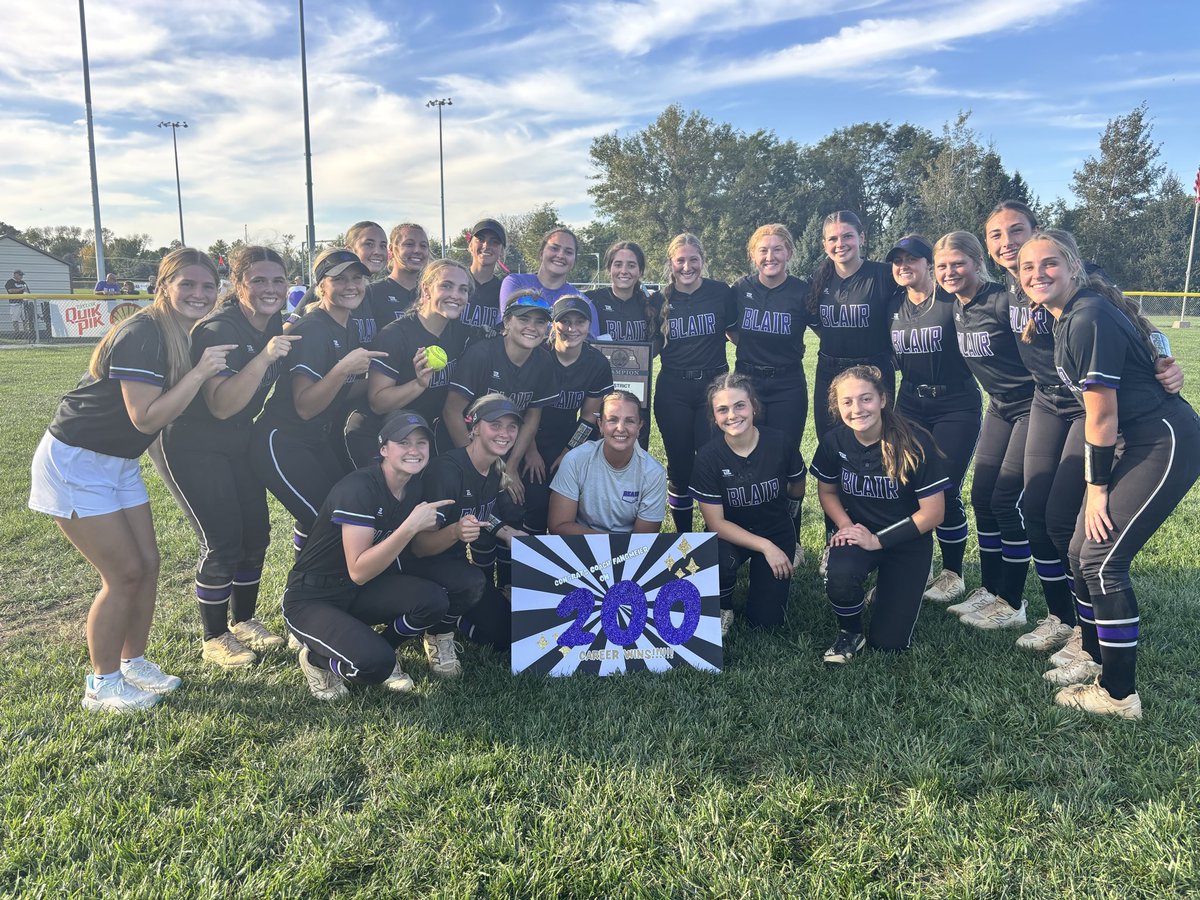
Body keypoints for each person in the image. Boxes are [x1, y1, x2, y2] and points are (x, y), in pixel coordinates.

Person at [29, 248, 235, 712]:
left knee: (147, 564)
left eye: (208, 286)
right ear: (163, 287)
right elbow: (145, 418)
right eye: (187, 284)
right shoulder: (144, 333)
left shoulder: (181, 332)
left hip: (118, 463)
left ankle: (133, 663)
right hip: (76, 461)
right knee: (122, 574)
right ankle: (101, 685)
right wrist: (201, 373)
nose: (200, 294)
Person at [985, 200, 1184, 657]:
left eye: (1016, 231)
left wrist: (1163, 359)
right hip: (1046, 399)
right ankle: (1061, 617)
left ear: (1038, 232)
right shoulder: (1008, 290)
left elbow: (1135, 319)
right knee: (1034, 509)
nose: (1007, 243)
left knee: (1063, 519)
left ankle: (1086, 630)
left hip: (1089, 407)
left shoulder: (1076, 277)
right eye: (996, 235)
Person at [1019, 230, 1200, 719]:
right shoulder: (1066, 316)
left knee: (1101, 561)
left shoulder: (1087, 315)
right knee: (1079, 551)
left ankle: (1119, 695)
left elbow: (1101, 416)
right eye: (1027, 267)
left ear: (1073, 267)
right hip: (1129, 441)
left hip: (1160, 440)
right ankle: (1094, 654)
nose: (1037, 273)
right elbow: (1143, 344)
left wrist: (1096, 490)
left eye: (1049, 263)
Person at [157, 246, 297, 667]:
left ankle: (244, 620)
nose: (270, 288)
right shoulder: (219, 328)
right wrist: (265, 356)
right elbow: (221, 406)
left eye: (278, 280)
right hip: (194, 442)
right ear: (237, 284)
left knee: (256, 534)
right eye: (258, 280)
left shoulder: (275, 320)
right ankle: (214, 636)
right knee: (222, 541)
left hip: (239, 440)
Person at [282, 410, 460, 699]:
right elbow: (359, 570)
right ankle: (316, 660)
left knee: (434, 600)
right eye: (403, 442)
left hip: (359, 592)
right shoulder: (359, 488)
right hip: (313, 597)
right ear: (383, 449)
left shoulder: (413, 485)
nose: (414, 450)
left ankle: (384, 647)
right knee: (374, 666)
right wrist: (409, 526)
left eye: (421, 443)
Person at [250, 248, 385, 560]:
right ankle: (306, 589)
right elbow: (306, 406)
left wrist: (395, 381)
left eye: (357, 278)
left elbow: (341, 391)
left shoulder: (348, 325)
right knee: (333, 528)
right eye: (340, 279)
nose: (351, 285)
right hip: (282, 442)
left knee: (342, 515)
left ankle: (310, 581)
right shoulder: (313, 329)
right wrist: (343, 368)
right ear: (321, 286)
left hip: (315, 439)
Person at [811, 366, 948, 665]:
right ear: (837, 407)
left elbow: (934, 513)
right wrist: (845, 525)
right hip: (859, 532)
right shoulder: (834, 441)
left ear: (883, 399)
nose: (857, 409)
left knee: (889, 643)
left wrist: (877, 540)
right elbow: (828, 492)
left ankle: (888, 589)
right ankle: (850, 633)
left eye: (866, 399)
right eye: (847, 402)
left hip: (907, 541)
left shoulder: (915, 442)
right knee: (841, 576)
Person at [936, 231, 1034, 630]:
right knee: (982, 498)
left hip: (1032, 406)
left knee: (1007, 501)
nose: (949, 272)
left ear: (978, 262)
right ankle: (991, 591)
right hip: (999, 406)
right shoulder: (956, 305)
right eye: (942, 266)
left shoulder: (1002, 300)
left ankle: (1012, 603)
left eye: (958, 263)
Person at [886, 235, 981, 606]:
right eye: (898, 260)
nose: (904, 266)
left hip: (955, 403)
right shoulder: (893, 304)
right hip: (910, 402)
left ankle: (953, 573)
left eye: (912, 259)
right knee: (908, 484)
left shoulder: (950, 299)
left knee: (943, 487)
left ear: (930, 264)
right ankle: (918, 563)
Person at [412, 395, 531, 655]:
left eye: (511, 426)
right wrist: (455, 531)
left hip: (453, 563)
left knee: (508, 635)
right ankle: (436, 630)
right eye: (495, 425)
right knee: (474, 581)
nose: (505, 433)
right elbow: (419, 547)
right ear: (474, 428)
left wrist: (507, 533)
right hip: (418, 569)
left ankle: (457, 617)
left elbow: (479, 511)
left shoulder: (494, 469)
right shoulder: (446, 472)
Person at [691, 374, 805, 635]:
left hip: (774, 529)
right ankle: (723, 606)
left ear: (754, 406)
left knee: (766, 622)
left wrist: (786, 530)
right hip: (730, 533)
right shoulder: (707, 457)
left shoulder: (780, 442)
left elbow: (797, 485)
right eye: (722, 409)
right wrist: (765, 546)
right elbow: (716, 523)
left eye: (740, 405)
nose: (732, 415)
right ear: (714, 417)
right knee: (719, 562)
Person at [729, 223, 813, 562]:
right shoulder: (740, 288)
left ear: (789, 252)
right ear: (753, 255)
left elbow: (825, 329)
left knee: (786, 460)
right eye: (763, 250)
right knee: (745, 457)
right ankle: (746, 534)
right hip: (747, 383)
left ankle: (791, 538)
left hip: (787, 384)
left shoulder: (802, 291)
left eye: (777, 249)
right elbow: (731, 330)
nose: (770, 256)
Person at [348, 258, 482, 465]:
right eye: (446, 286)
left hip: (423, 433)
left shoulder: (461, 332)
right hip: (380, 436)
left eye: (463, 289)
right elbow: (377, 403)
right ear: (426, 289)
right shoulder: (394, 335)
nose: (456, 295)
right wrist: (418, 384)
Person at [650, 233, 737, 533]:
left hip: (713, 389)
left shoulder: (721, 292)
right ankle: (684, 538)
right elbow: (650, 346)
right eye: (680, 260)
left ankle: (719, 536)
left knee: (715, 460)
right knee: (679, 465)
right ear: (670, 263)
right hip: (673, 388)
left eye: (693, 260)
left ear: (703, 260)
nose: (687, 267)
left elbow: (738, 334)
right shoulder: (658, 300)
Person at [443, 291, 558, 507]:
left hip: (504, 445)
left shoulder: (543, 360)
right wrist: (475, 464)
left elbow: (532, 416)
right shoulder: (482, 354)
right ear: (507, 321)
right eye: (523, 319)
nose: (532, 327)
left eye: (540, 322)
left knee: (516, 505)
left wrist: (511, 467)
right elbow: (452, 411)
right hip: (465, 445)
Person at [522, 296, 614, 533]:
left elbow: (589, 416)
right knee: (536, 504)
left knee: (575, 505)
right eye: (565, 321)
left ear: (589, 325)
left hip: (572, 439)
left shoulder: (597, 363)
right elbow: (523, 410)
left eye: (580, 322)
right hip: (532, 437)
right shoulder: (536, 355)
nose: (572, 329)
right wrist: (529, 451)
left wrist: (569, 453)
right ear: (553, 324)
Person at [806, 211, 897, 439]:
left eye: (847, 236)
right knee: (830, 440)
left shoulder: (884, 274)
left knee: (877, 440)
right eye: (833, 239)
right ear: (824, 244)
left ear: (861, 238)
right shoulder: (818, 279)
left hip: (874, 370)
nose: (840, 244)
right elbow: (818, 325)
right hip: (829, 369)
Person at [548, 390, 665, 536]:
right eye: (612, 420)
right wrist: (608, 542)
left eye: (629, 421)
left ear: (639, 427)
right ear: (600, 424)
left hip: (630, 549)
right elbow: (559, 525)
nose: (620, 428)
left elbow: (642, 540)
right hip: (580, 544)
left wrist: (612, 545)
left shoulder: (654, 473)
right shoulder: (575, 460)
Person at [586, 240, 659, 448]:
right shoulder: (591, 300)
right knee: (596, 448)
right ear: (609, 268)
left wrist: (640, 359)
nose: (624, 271)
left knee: (635, 448)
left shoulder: (651, 304)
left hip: (636, 392)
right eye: (618, 264)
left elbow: (657, 342)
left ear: (640, 271)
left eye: (631, 265)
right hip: (599, 390)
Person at [499, 228, 599, 337]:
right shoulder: (515, 282)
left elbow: (590, 341)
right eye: (554, 248)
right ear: (541, 253)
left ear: (574, 261)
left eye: (568, 252)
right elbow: (509, 323)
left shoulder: (583, 303)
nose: (560, 255)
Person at [361, 222, 425, 339]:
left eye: (423, 245)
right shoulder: (370, 293)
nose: (417, 250)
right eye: (409, 244)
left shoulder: (433, 294)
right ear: (391, 249)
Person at [463, 218, 507, 333]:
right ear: (470, 245)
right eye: (480, 239)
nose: (486, 245)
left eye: (494, 241)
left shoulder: (504, 290)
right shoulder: (455, 280)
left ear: (502, 250)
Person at [6, 268, 32, 340]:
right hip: (14, 303)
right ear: (15, 274)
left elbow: (28, 292)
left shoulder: (23, 282)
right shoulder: (10, 282)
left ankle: (26, 334)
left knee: (25, 319)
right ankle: (17, 334)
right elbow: (10, 290)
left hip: (23, 303)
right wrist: (21, 289)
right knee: (15, 320)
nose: (21, 276)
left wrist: (25, 290)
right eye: (20, 275)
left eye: (22, 275)